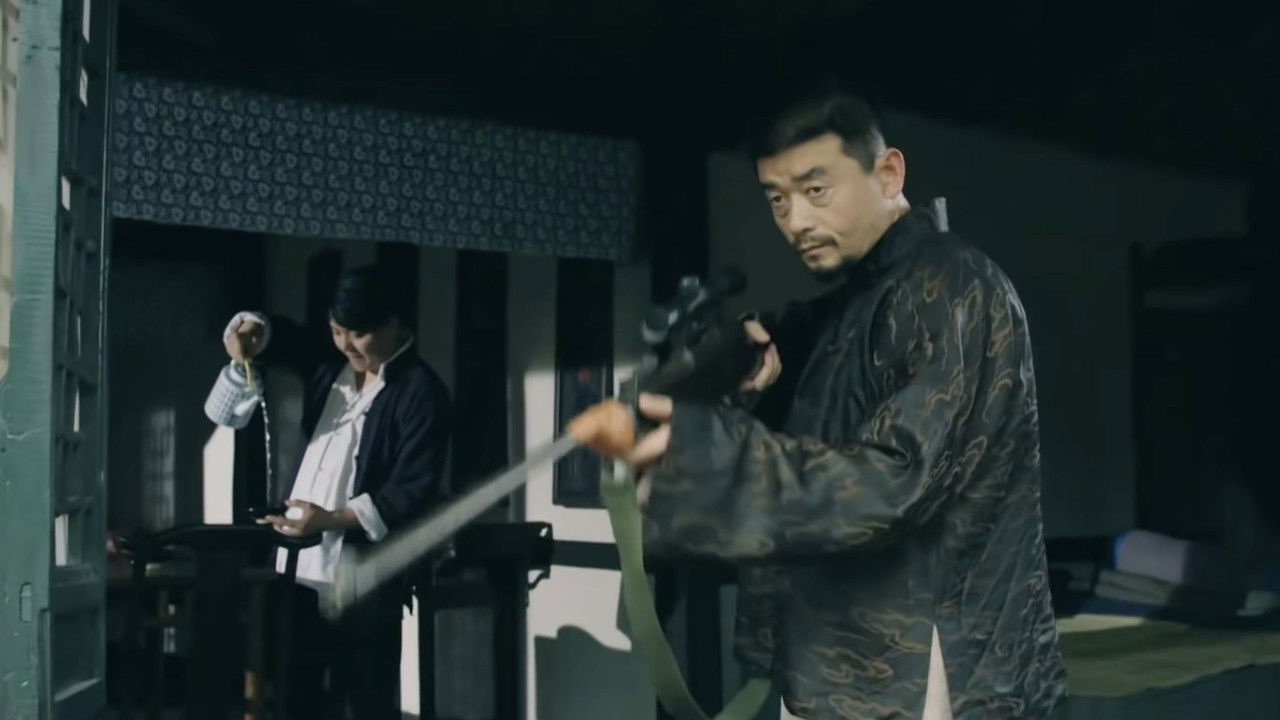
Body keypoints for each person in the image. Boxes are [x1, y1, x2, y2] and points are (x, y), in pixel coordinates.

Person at [621, 86, 1066, 719]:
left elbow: (891, 480)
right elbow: (805, 428)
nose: (795, 220)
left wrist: (715, 457)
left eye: (816, 190)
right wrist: (739, 378)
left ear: (888, 173)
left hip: (917, 665)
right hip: (834, 657)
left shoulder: (952, 286)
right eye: (777, 198)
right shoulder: (849, 305)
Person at [216, 266, 452, 720]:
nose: (346, 344)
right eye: (337, 330)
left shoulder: (421, 393)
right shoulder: (331, 367)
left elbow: (411, 490)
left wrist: (330, 520)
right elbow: (281, 338)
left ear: (395, 323)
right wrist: (250, 333)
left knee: (364, 697)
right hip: (297, 566)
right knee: (294, 694)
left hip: (362, 575)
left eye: (359, 333)